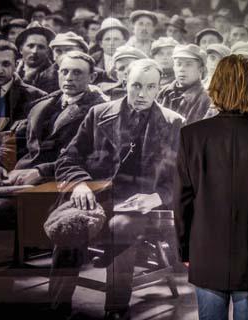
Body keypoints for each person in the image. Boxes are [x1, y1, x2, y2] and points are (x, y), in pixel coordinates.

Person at [51, 59, 184, 319]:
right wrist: (79, 184)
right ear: (125, 83)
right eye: (136, 86)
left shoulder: (173, 122)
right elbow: (68, 158)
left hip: (142, 207)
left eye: (150, 87)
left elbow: (185, 176)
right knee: (70, 225)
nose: (142, 93)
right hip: (94, 199)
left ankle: (115, 310)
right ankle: (57, 308)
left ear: (159, 88)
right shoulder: (99, 114)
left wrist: (156, 197)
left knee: (120, 228)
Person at [174, 54, 248, 320]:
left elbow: (183, 200)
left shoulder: (191, 136)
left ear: (214, 85)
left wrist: (184, 248)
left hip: (205, 249)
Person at [0, 51, 108, 229]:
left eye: (77, 72)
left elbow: (90, 159)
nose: (69, 78)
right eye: (64, 71)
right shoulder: (43, 104)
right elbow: (16, 140)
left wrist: (40, 171)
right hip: (15, 178)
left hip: (52, 186)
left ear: (91, 77)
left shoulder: (100, 112)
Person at [0, 40, 46, 179]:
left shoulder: (36, 98)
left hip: (13, 170)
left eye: (6, 64)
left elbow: (35, 144)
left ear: (16, 64)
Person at [157, 44, 210, 125]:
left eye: (188, 64)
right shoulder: (164, 92)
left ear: (201, 69)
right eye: (178, 64)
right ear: (174, 67)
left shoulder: (206, 99)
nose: (182, 69)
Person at [15, 21, 55, 90]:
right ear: (21, 49)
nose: (35, 51)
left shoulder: (53, 75)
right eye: (30, 46)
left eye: (41, 47)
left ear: (47, 51)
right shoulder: (13, 67)